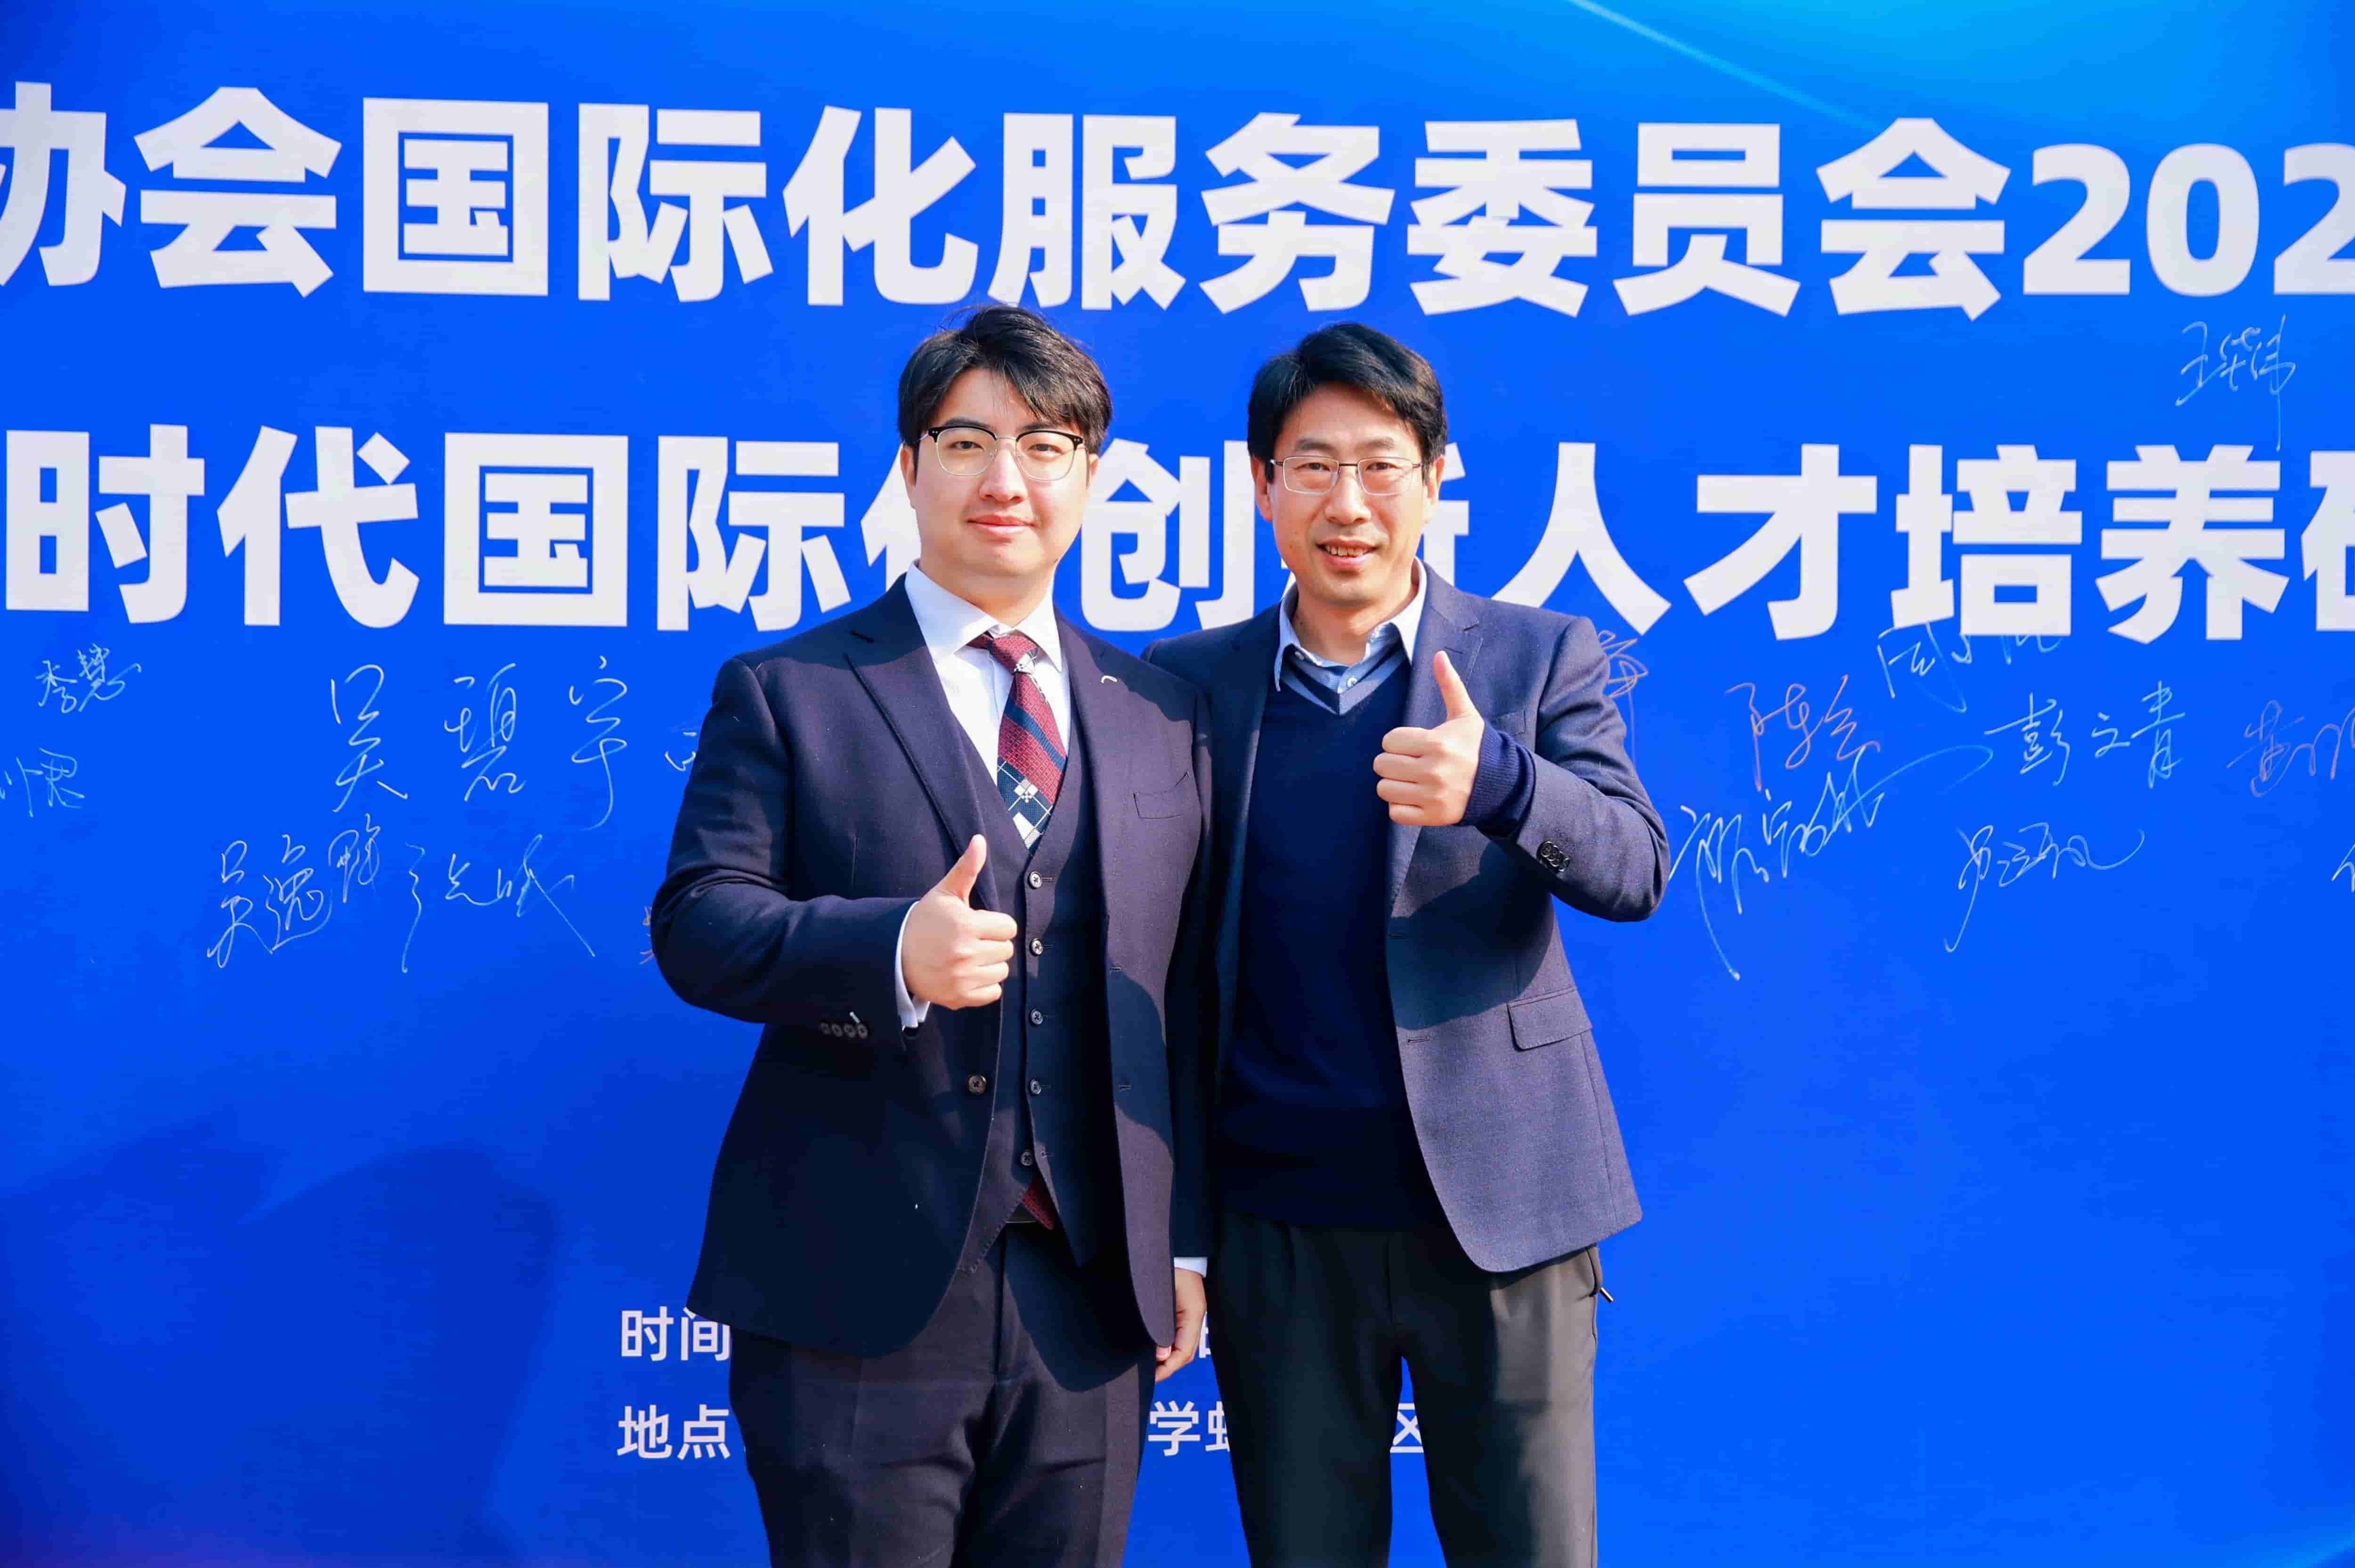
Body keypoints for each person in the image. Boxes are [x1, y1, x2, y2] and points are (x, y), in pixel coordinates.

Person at [652, 304, 1212, 1568]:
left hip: (1089, 1301)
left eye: (1046, 446)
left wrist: (1181, 1237)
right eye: (968, 442)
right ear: (910, 468)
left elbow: (1182, 997)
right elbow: (697, 922)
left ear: (1091, 478)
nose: (1007, 478)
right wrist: (891, 951)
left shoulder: (1160, 714)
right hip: (857, 1291)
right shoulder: (793, 691)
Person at [1146, 322, 1668, 1567]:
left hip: (1504, 1218)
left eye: (1382, 466)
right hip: (1280, 1229)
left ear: (1435, 479)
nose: (1349, 503)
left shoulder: (1537, 655)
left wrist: (1501, 781)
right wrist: (1180, 1229)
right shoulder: (1186, 684)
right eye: (1313, 467)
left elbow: (1636, 866)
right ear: (1262, 485)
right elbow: (1163, 979)